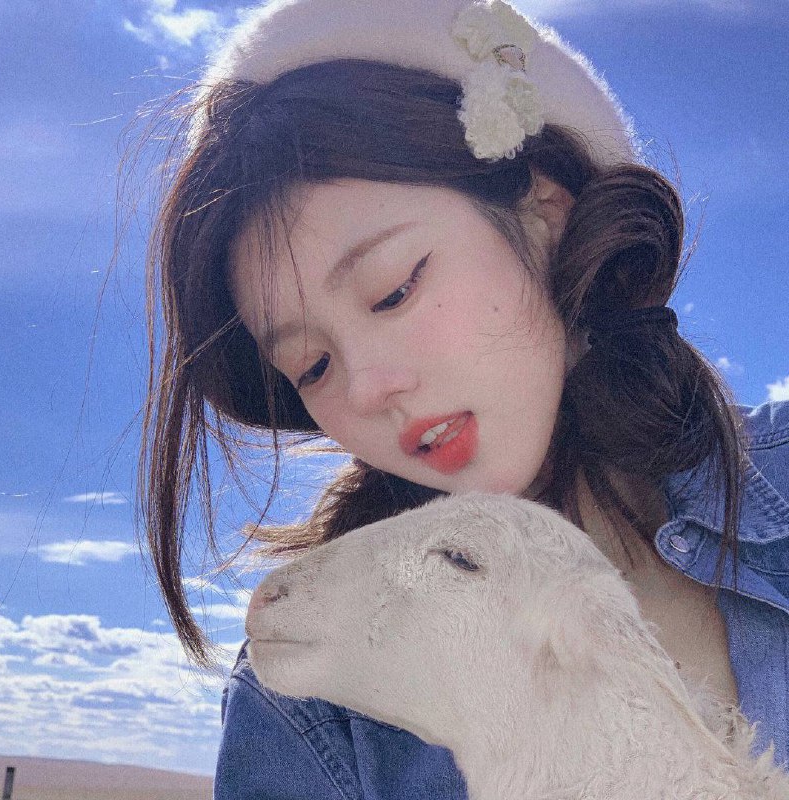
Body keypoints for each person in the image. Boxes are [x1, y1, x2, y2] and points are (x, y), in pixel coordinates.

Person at [135, 0, 789, 796]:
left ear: (546, 209)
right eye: (312, 367)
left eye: (392, 291)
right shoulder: (309, 702)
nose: (368, 389)